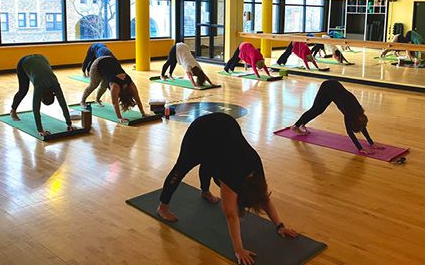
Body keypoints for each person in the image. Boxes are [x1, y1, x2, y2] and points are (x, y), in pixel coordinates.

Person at [157, 113, 299, 265]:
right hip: (201, 132)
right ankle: (163, 207)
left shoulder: (256, 170)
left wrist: (280, 226)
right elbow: (231, 215)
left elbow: (264, 198)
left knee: (212, 161)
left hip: (225, 129)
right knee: (182, 167)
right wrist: (239, 250)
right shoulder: (231, 177)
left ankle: (205, 191)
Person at [291, 80, 384, 154]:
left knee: (319, 110)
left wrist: (371, 143)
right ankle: (296, 126)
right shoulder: (349, 113)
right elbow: (349, 132)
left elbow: (363, 126)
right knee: (316, 109)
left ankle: (303, 123)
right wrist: (360, 149)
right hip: (327, 87)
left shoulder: (359, 113)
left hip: (334, 88)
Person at [10, 54, 76, 137]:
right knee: (23, 90)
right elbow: (36, 108)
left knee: (25, 89)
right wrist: (40, 130)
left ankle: (13, 110)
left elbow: (63, 104)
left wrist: (69, 124)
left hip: (42, 58)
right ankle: (13, 110)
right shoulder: (40, 87)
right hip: (24, 62)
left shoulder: (55, 85)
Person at [80, 56, 147, 123]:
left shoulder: (130, 84)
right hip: (98, 64)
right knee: (94, 85)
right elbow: (115, 103)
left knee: (104, 85)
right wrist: (119, 117)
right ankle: (82, 101)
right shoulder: (115, 86)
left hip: (111, 63)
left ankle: (97, 100)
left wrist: (142, 113)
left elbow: (137, 97)